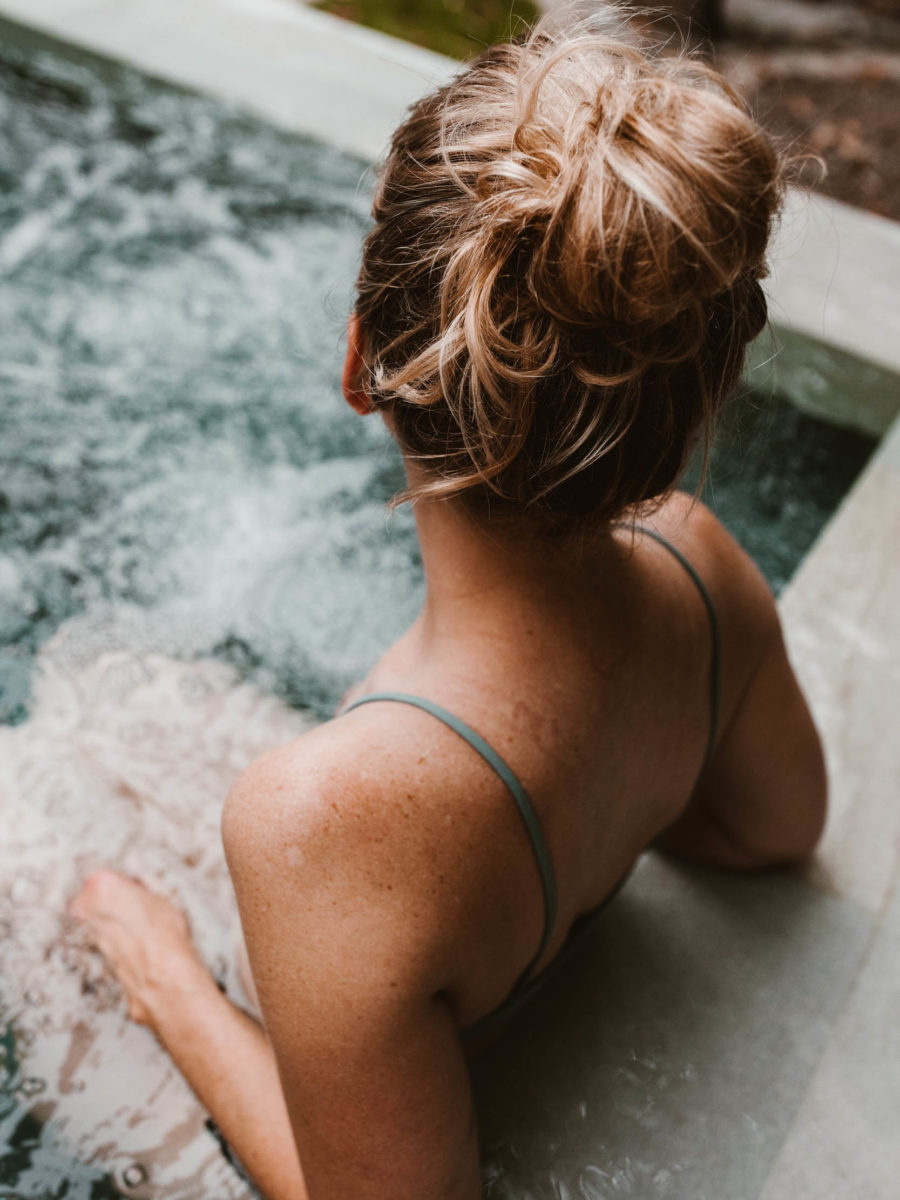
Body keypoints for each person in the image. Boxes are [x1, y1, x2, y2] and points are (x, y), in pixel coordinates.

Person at [70, 13, 827, 1200]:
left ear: (362, 360)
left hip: (375, 862)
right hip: (427, 845)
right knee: (97, 701)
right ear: (682, 412)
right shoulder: (702, 567)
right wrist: (602, 800)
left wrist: (161, 974)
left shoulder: (316, 820)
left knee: (45, 872)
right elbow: (778, 827)